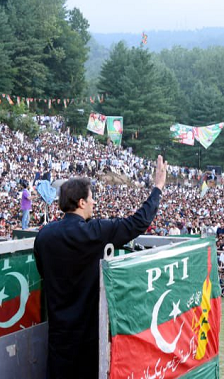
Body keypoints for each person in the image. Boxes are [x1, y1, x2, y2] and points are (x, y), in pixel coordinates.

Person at [33, 155, 167, 379]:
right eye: (92, 198)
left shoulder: (44, 236)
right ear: (81, 202)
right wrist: (158, 188)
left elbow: (43, 272)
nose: (95, 202)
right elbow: (138, 223)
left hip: (59, 337)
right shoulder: (95, 232)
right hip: (89, 337)